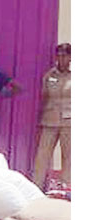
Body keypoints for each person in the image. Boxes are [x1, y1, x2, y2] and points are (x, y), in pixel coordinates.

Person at [33, 43, 71, 190]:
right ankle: (36, 187)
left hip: (69, 121)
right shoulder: (49, 76)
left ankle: (65, 188)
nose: (61, 58)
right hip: (49, 120)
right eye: (59, 55)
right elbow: (44, 97)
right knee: (42, 155)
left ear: (70, 57)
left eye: (65, 55)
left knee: (68, 156)